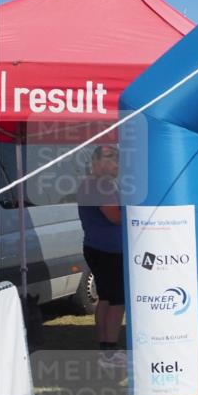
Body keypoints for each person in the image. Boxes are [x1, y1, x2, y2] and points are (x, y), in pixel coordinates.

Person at [76, 145, 126, 369]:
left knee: (105, 298)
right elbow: (114, 216)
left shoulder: (91, 184)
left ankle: (105, 350)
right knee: (117, 301)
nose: (117, 163)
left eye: (118, 158)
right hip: (108, 251)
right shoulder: (100, 185)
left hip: (98, 248)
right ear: (96, 162)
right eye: (111, 158)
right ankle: (110, 353)